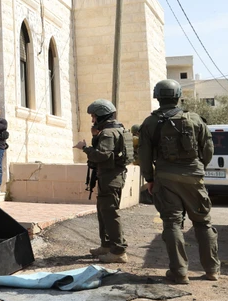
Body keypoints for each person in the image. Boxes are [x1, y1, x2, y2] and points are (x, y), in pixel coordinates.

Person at [138, 79, 219, 284]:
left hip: (165, 179)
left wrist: (149, 178)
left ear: (158, 97)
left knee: (172, 224)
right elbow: (208, 149)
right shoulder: (195, 119)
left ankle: (179, 272)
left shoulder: (150, 123)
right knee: (203, 222)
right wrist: (198, 169)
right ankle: (212, 270)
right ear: (178, 96)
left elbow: (145, 155)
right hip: (193, 177)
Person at [78, 99, 132, 264]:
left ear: (101, 115)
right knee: (104, 213)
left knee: (110, 213)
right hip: (110, 176)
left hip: (110, 178)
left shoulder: (108, 133)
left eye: (94, 116)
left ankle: (118, 251)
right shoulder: (118, 130)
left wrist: (85, 148)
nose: (92, 120)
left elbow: (102, 155)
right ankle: (107, 245)